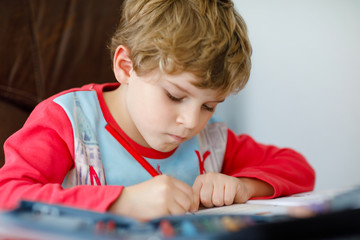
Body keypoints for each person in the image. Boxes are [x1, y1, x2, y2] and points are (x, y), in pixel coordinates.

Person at [0, 0, 315, 221]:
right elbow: (7, 195)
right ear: (126, 66)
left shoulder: (209, 139)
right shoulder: (66, 120)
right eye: (175, 96)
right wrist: (121, 203)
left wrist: (244, 186)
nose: (191, 122)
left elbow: (298, 168)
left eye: (208, 105)